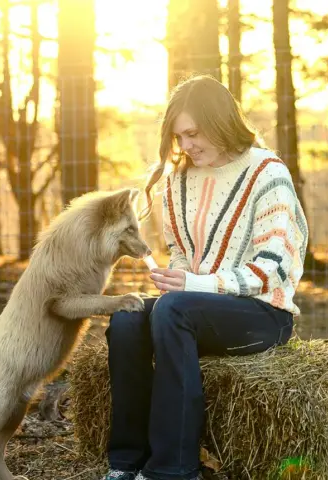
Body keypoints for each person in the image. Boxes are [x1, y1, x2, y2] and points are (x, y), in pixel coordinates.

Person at [101, 75, 309, 480]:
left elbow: (272, 270)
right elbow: (183, 253)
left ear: (220, 122)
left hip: (261, 314)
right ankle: (124, 464)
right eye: (178, 137)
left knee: (173, 310)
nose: (186, 146)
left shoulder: (267, 173)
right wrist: (175, 276)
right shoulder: (179, 178)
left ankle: (173, 470)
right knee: (127, 316)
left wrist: (194, 287)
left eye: (193, 133)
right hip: (193, 307)